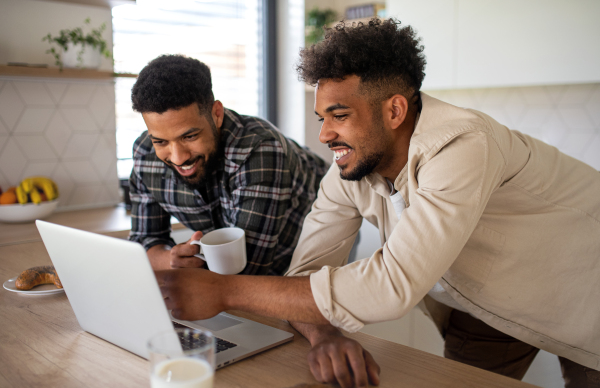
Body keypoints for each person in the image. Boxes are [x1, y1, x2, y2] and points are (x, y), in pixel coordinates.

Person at [154, 20, 600, 388]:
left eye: (340, 116)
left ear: (394, 111)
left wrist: (224, 290)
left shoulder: (465, 145)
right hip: (483, 308)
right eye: (321, 118)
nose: (324, 135)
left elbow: (392, 284)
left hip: (582, 293)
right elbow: (306, 272)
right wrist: (324, 333)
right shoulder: (349, 169)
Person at [128, 55, 328, 275]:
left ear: (217, 114)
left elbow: (249, 270)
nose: (178, 157)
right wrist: (171, 260)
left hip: (316, 238)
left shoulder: (259, 150)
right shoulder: (145, 155)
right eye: (161, 141)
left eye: (189, 136)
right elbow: (144, 241)